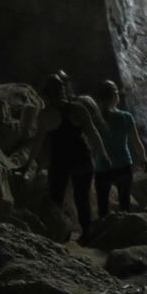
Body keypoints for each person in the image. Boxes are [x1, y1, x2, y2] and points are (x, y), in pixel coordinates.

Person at [42, 74, 97, 239]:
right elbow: (92, 133)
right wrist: (101, 154)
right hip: (80, 158)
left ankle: (60, 231)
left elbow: (38, 140)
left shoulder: (47, 113)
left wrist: (30, 163)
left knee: (57, 199)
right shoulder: (76, 108)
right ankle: (85, 233)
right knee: (81, 199)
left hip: (61, 161)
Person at [93, 80, 143, 217]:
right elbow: (136, 142)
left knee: (103, 206)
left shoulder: (95, 118)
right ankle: (125, 229)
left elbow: (90, 142)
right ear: (116, 97)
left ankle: (103, 228)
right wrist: (143, 159)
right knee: (124, 204)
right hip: (123, 164)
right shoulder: (126, 117)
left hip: (102, 165)